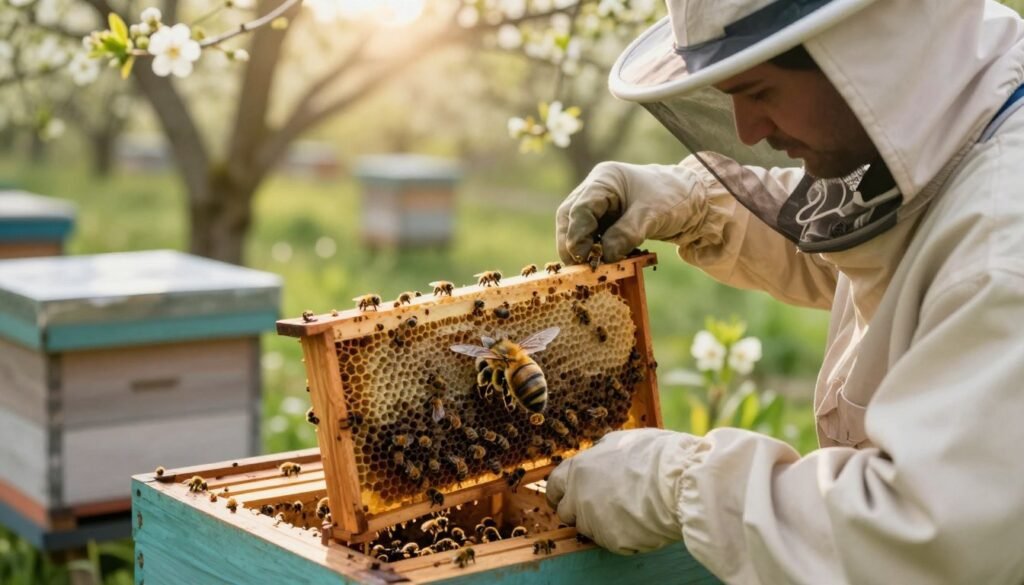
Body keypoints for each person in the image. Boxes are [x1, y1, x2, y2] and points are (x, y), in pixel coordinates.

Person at [545, 0, 1024, 583]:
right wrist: (698, 203)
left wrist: (683, 484)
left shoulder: (1004, 249)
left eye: (760, 91)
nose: (747, 129)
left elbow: (922, 544)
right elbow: (879, 256)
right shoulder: (957, 130)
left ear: (865, 57)